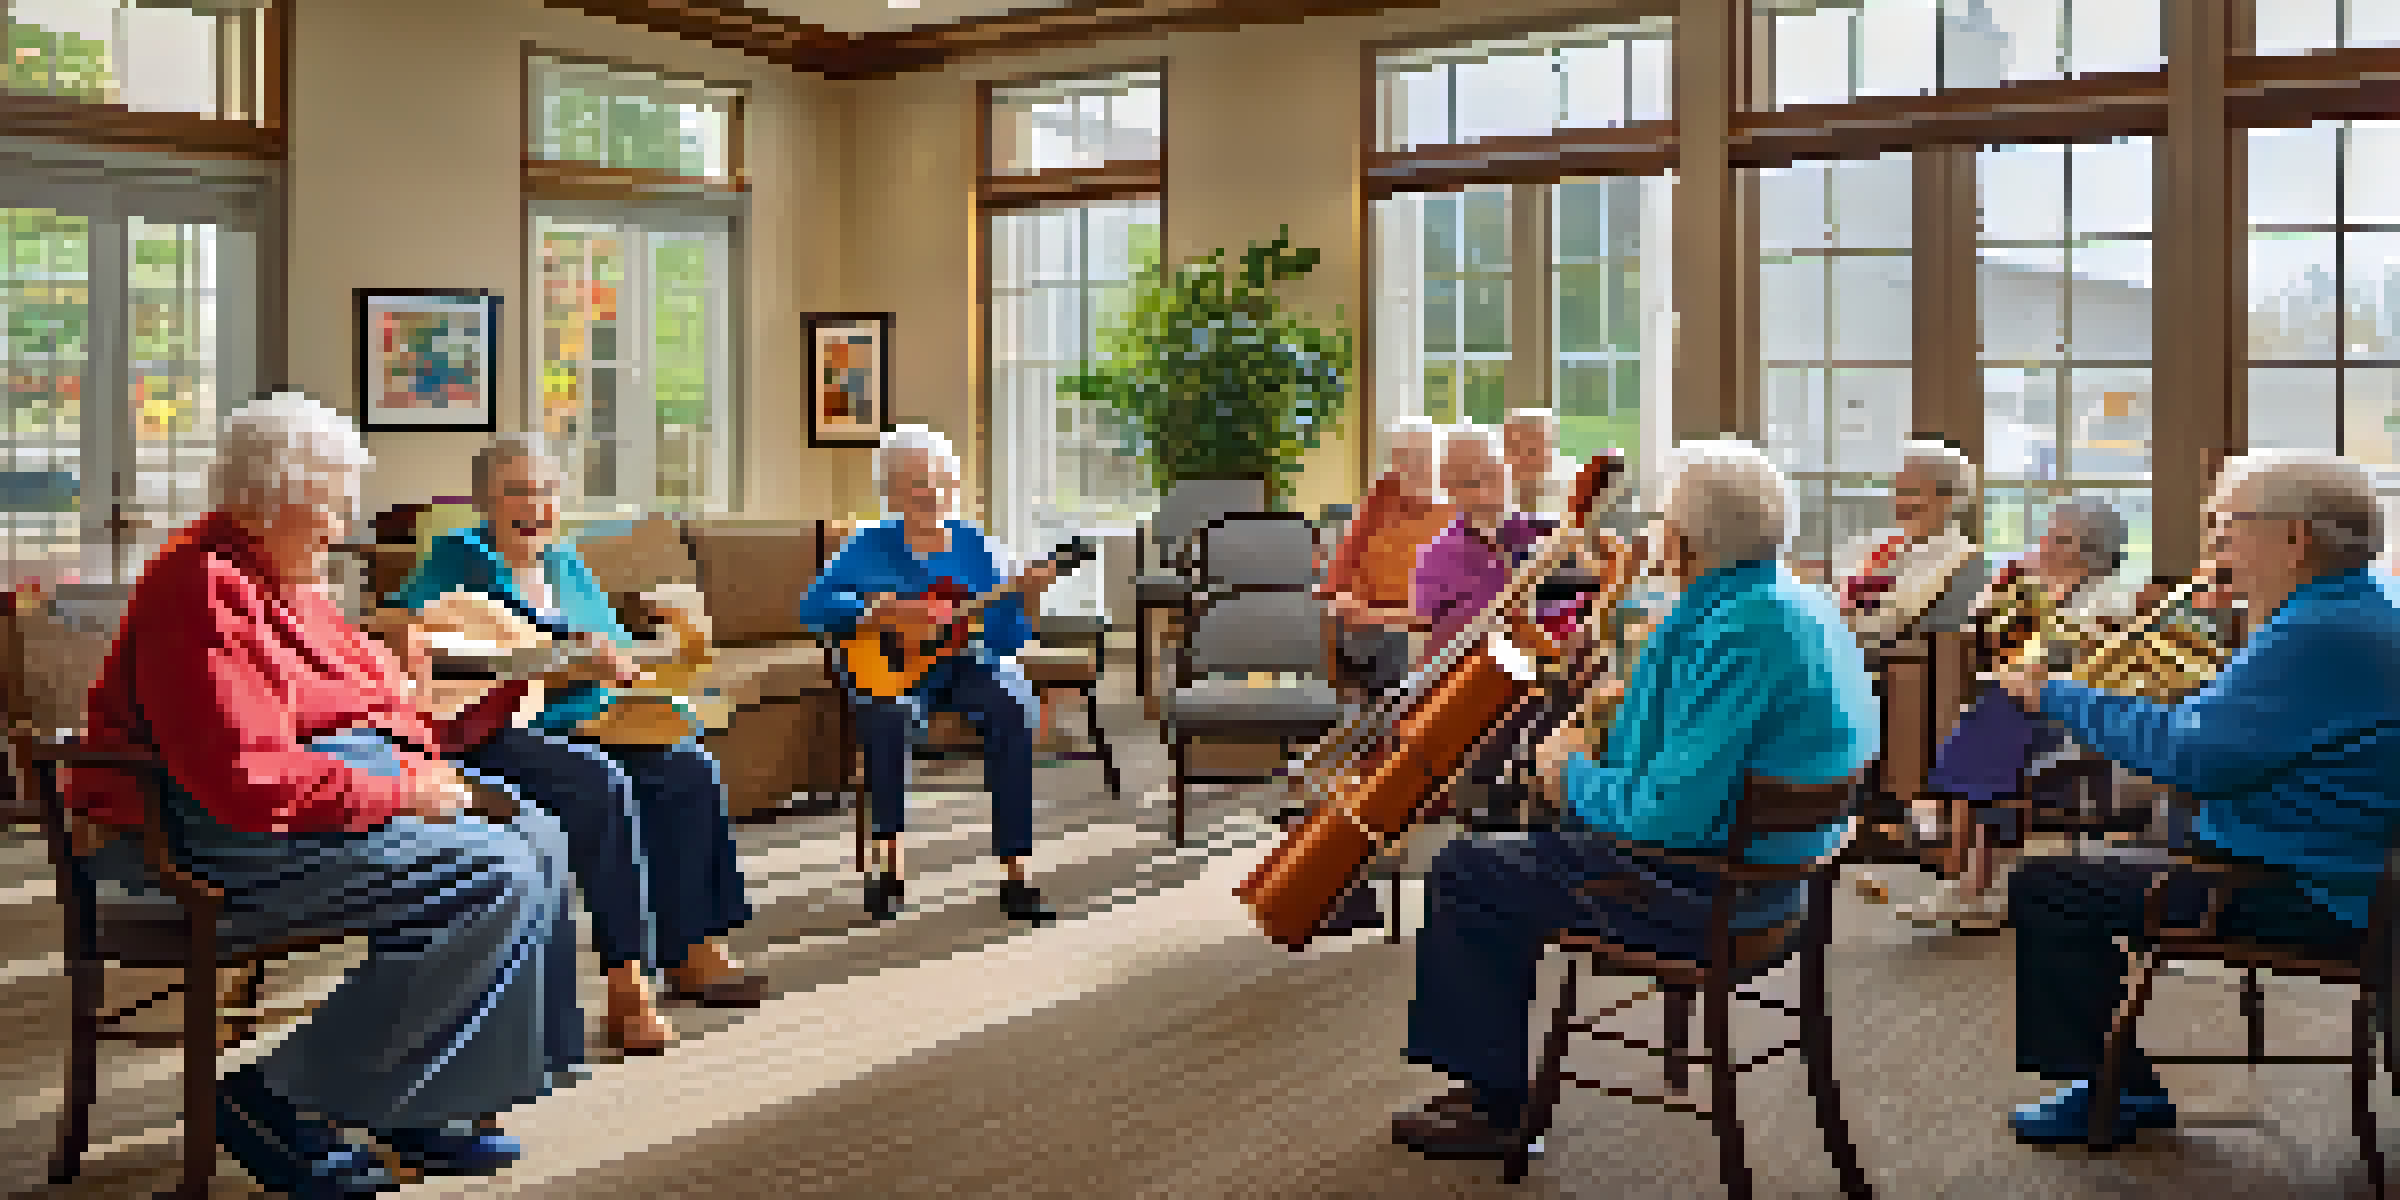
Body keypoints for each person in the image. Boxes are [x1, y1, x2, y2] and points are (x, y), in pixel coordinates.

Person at [68, 393, 577, 1196]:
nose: (342, 528)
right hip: (196, 840)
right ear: (269, 501)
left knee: (541, 835)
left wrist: (435, 739)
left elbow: (378, 696)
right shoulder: (201, 588)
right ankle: (274, 1100)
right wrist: (404, 790)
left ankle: (419, 1102)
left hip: (285, 811)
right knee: (491, 873)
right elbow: (246, 781)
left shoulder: (285, 578)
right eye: (329, 509)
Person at [1390, 439, 1877, 1159]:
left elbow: (1665, 820)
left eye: (1659, 523)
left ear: (1681, 540)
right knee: (1510, 858)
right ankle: (1488, 1083)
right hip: (1778, 885)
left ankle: (1492, 1112)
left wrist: (1568, 776)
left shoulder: (1733, 631)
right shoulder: (1796, 603)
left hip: (1703, 895)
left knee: (1468, 871)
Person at [1991, 450, 2400, 1146]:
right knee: (2105, 856)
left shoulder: (2316, 634)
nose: (2219, 548)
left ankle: (2115, 1092)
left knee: (2047, 886)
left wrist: (2056, 695)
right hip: (2321, 859)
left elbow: (2191, 758)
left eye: (2229, 528)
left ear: (2295, 538)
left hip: (2304, 887)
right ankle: (2117, 1082)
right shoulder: (2358, 608)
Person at [383, 434, 762, 1057]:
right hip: (501, 729)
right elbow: (409, 632)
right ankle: (626, 978)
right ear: (485, 499)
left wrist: (637, 666)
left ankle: (692, 947)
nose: (534, 505)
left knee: (686, 766)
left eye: (545, 491)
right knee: (600, 784)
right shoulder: (459, 555)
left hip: (589, 718)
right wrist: (551, 654)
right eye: (516, 490)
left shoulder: (567, 564)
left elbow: (615, 653)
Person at [800, 425, 1062, 924]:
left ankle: (1016, 870)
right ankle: (889, 864)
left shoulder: (976, 546)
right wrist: (876, 609)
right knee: (886, 716)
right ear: (891, 491)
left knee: (1014, 706)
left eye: (937, 480)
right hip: (893, 671)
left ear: (952, 485)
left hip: (963, 665)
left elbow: (1005, 640)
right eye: (912, 481)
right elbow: (813, 607)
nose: (928, 492)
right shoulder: (869, 543)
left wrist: (1028, 594)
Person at [1909, 495, 2133, 929]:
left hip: (2077, 718)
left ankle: (1960, 864)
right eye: (2048, 533)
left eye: (2058, 537)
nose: (2046, 543)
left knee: (1993, 715)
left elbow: (2061, 662)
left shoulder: (2108, 601)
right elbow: (1984, 630)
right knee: (1994, 713)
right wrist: (2010, 590)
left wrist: (2028, 647)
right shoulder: (2041, 589)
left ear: (2089, 551)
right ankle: (1975, 883)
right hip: (2026, 713)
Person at [1835, 441, 1990, 901]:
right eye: (1898, 490)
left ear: (1948, 500)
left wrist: (1848, 620)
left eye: (1914, 494)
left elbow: (1894, 617)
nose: (1901, 502)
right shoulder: (1875, 548)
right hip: (1858, 653)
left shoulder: (1960, 558)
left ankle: (1896, 816)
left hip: (1906, 665)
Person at [1319, 416, 1448, 700]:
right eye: (1402, 457)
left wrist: (1379, 614)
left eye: (1421, 456)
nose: (1411, 466)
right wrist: (1341, 594)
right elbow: (1349, 552)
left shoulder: (1454, 506)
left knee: (1392, 642)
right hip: (1364, 612)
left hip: (1414, 617)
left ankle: (1386, 724)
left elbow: (1437, 598)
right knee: (1325, 623)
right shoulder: (1384, 491)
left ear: (1439, 459)